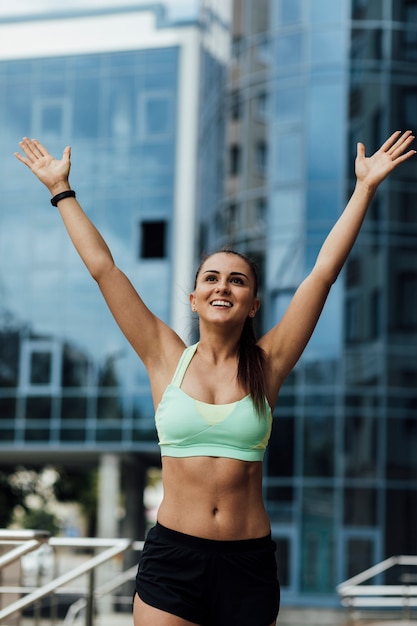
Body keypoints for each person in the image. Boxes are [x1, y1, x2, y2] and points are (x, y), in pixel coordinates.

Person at [15, 130, 415, 626]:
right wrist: (61, 190)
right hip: (172, 561)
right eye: (211, 278)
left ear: (252, 305)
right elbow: (105, 270)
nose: (222, 285)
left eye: (237, 280)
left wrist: (364, 189)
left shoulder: (268, 365)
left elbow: (322, 273)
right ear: (194, 298)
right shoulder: (164, 356)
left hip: (246, 565)